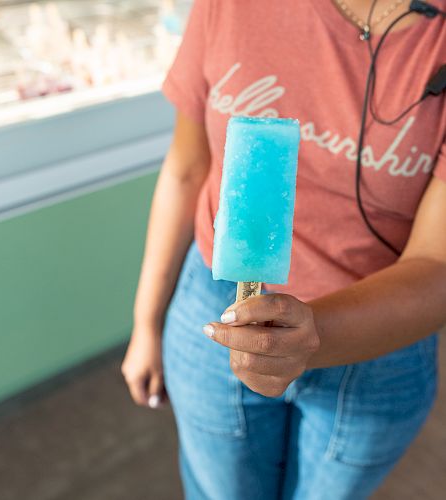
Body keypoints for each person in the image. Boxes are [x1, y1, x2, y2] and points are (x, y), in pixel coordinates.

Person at [122, 0, 446, 498]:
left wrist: (313, 333)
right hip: (214, 310)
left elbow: (437, 262)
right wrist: (146, 323)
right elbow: (187, 167)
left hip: (378, 337)